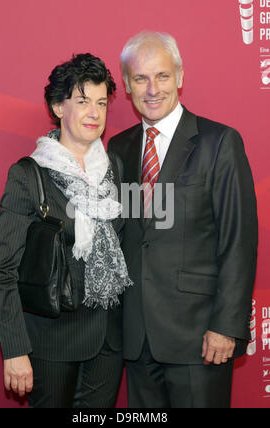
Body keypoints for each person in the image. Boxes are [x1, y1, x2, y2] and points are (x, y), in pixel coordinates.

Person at [108, 31, 258, 408]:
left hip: (199, 338)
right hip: (138, 337)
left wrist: (226, 325)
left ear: (179, 77)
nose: (152, 88)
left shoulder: (219, 142)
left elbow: (238, 241)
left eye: (161, 76)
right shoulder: (120, 147)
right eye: (140, 78)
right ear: (127, 85)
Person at [0, 53, 133, 408]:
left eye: (101, 103)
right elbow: (1, 270)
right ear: (57, 106)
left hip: (108, 341)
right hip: (50, 341)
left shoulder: (113, 166)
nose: (94, 113)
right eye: (83, 102)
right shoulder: (29, 174)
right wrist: (15, 350)